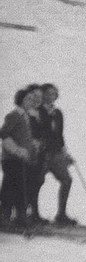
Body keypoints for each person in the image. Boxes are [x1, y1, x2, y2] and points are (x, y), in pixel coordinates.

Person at [31, 84, 75, 227]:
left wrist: (65, 153)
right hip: (41, 154)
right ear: (43, 95)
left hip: (56, 153)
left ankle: (61, 214)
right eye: (49, 93)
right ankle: (34, 214)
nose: (52, 96)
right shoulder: (36, 112)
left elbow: (59, 135)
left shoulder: (58, 113)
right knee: (37, 182)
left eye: (54, 94)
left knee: (67, 180)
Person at [1, 86, 42, 229]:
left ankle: (18, 215)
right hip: (11, 159)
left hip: (22, 159)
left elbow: (24, 136)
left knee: (20, 187)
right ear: (20, 100)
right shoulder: (14, 115)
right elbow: (4, 134)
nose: (31, 102)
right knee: (12, 187)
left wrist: (33, 146)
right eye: (27, 99)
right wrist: (17, 150)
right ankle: (7, 216)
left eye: (32, 99)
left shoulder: (26, 116)